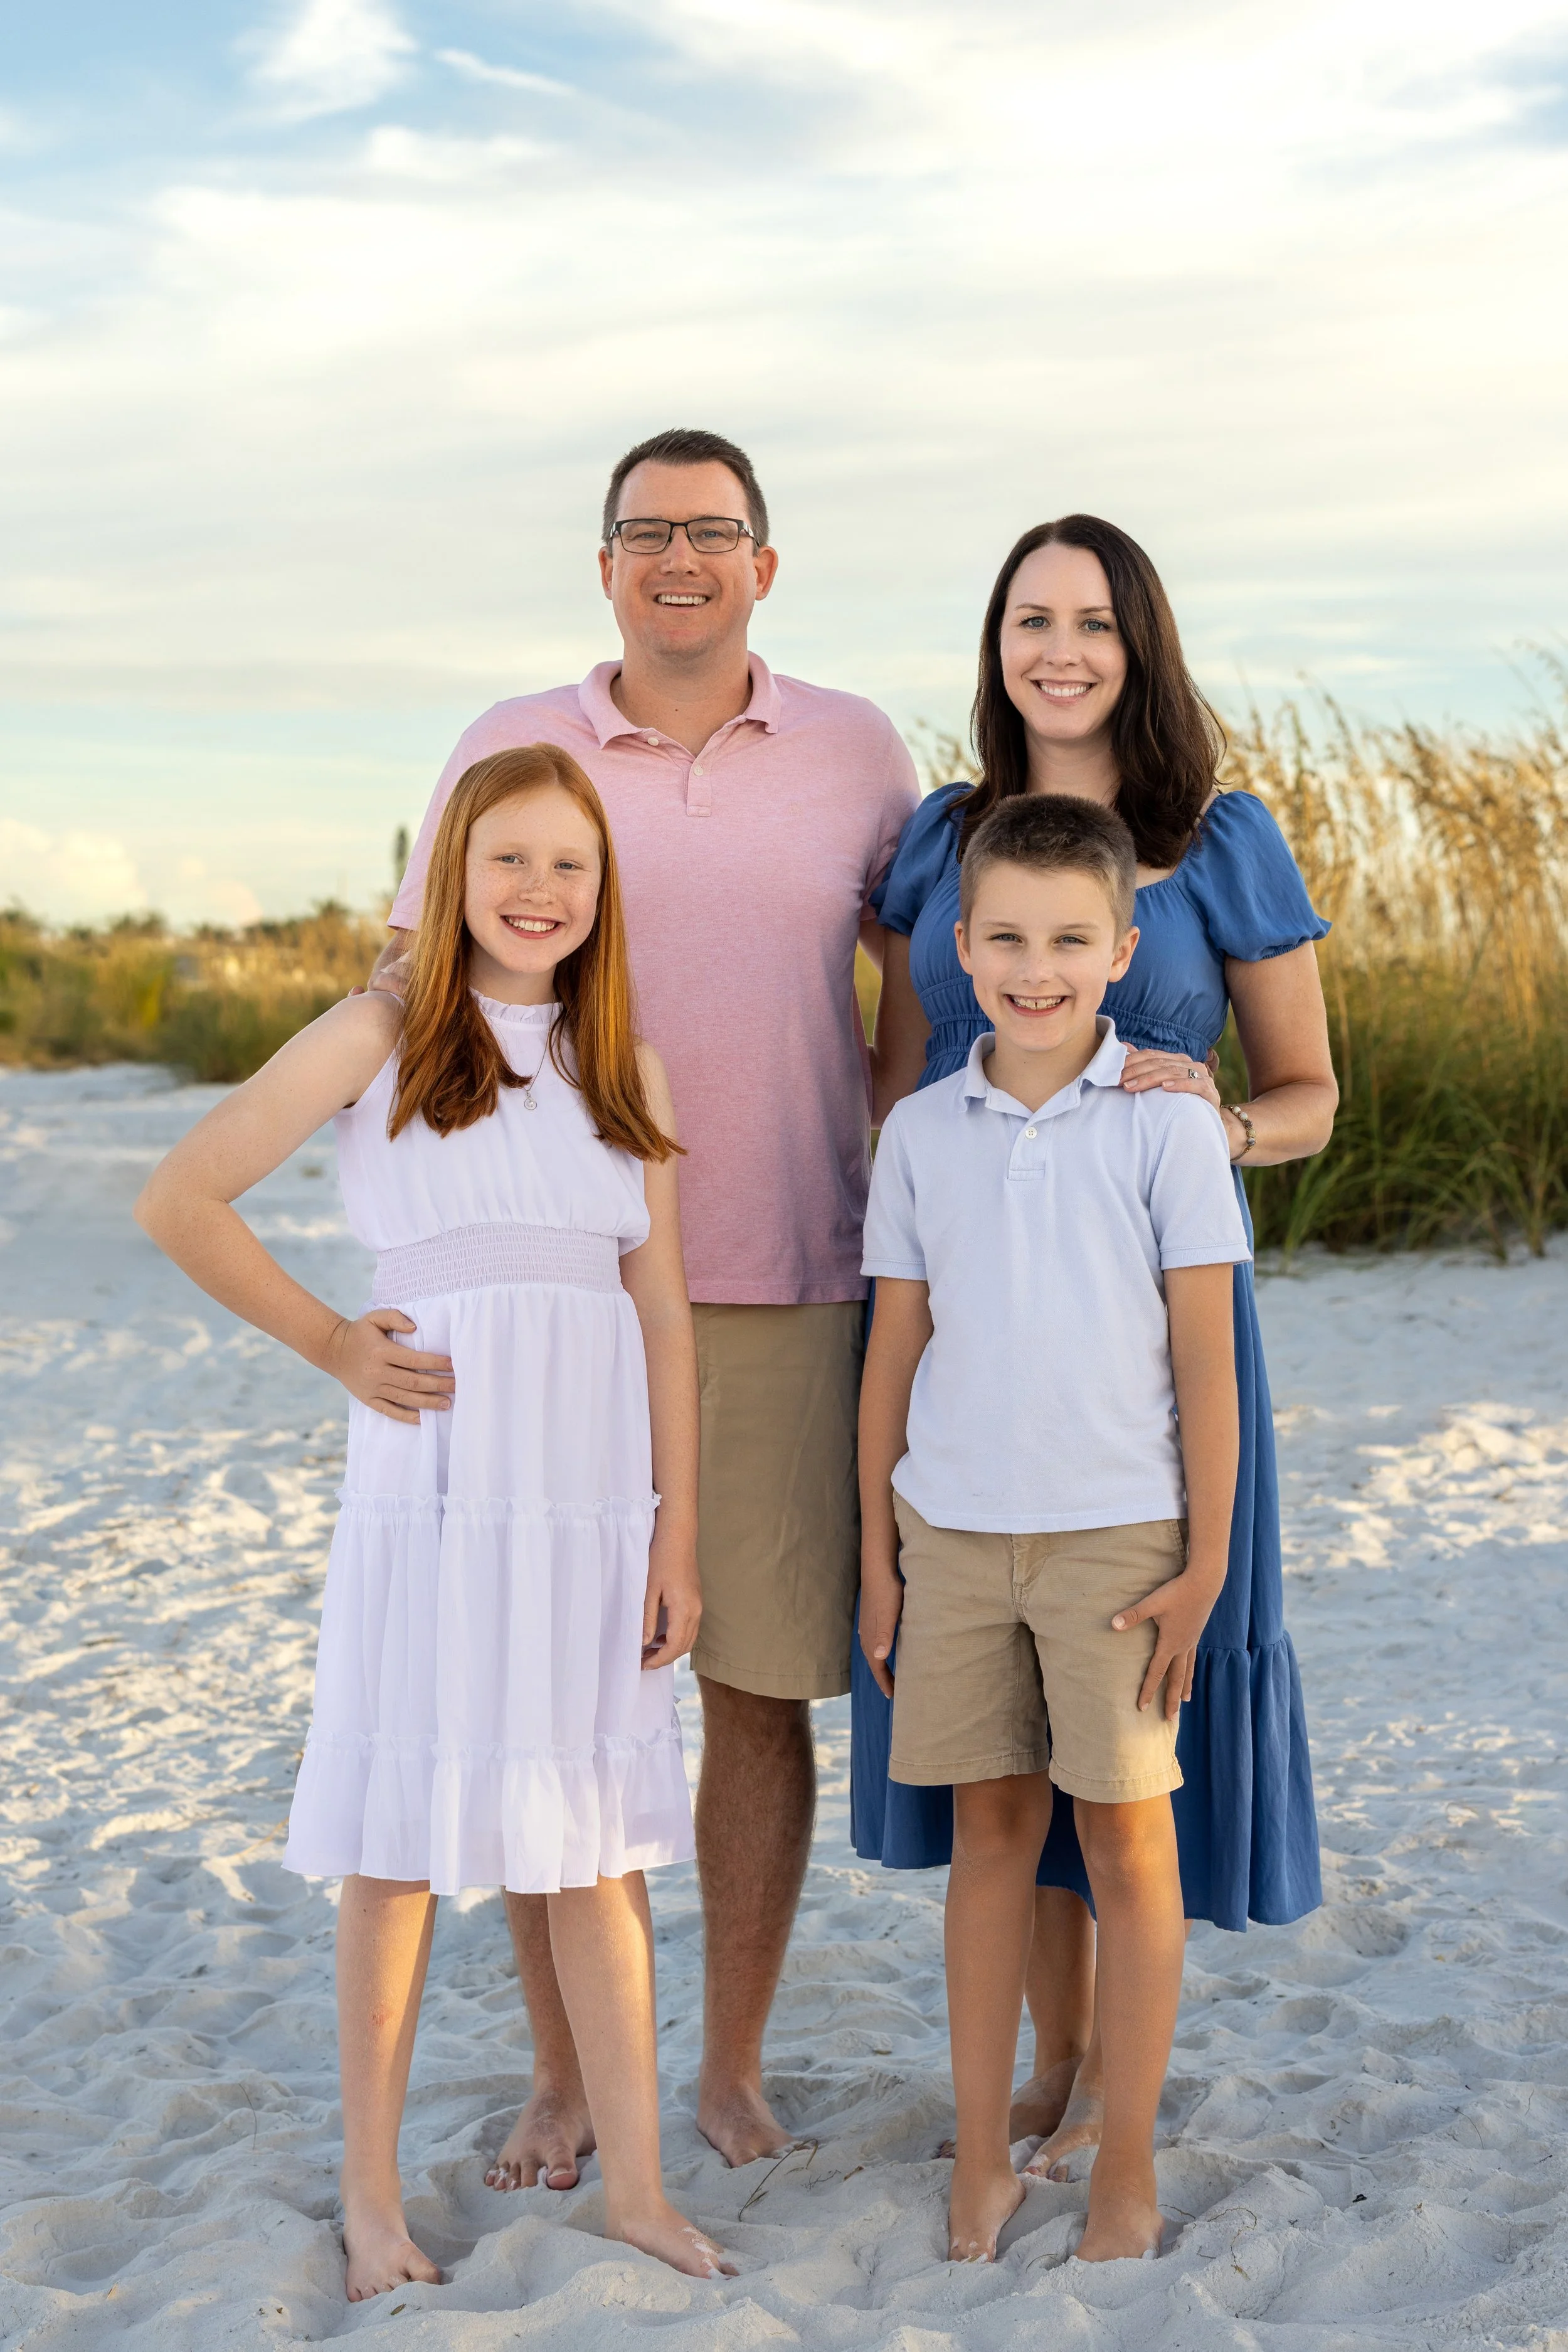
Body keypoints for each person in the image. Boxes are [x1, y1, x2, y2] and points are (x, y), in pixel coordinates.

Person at [376, 428, 921, 2174]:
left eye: (712, 530)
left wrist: (898, 1185)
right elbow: (416, 989)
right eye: (644, 530)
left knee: (755, 1690)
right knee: (550, 1695)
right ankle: (563, 2074)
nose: (677, 556)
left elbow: (914, 994)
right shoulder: (512, 745)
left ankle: (728, 2063)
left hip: (783, 1277)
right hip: (549, 1302)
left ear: (767, 560)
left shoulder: (855, 749)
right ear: (601, 562)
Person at [134, 747, 733, 2297]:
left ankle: (641, 2191)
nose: (539, 892)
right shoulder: (378, 1033)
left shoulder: (628, 1071)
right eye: (509, 860)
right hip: (442, 1484)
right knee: (397, 1848)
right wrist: (334, 1340)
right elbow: (183, 1197)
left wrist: (676, 1534)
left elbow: (662, 1316)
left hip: (593, 1504)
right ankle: (373, 2200)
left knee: (595, 1846)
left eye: (571, 867)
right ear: (451, 869)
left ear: (604, 896)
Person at [853, 514, 1337, 2176]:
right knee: (1002, 1748)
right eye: (1025, 619)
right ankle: (1048, 2064)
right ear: (995, 643)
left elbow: (1310, 1097)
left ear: (1139, 640)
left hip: (1156, 1322)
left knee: (1122, 1716)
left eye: (1089, 621)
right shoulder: (935, 843)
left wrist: (1218, 1122)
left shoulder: (1219, 842)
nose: (1056, 650)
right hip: (961, 1320)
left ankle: (1102, 2093)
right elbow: (897, 1076)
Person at [861, 793, 1251, 2262]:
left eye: (1069, 940)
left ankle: (1126, 2167)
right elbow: (890, 1352)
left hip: (1116, 1538)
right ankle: (978, 2157)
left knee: (1128, 1841)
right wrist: (873, 1550)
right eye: (1007, 938)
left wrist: (1204, 1560)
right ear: (958, 947)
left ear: (1118, 947)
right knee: (990, 1837)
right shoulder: (917, 1131)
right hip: (950, 1532)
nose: (1037, 968)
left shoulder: (1166, 1122)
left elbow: (1201, 1359)